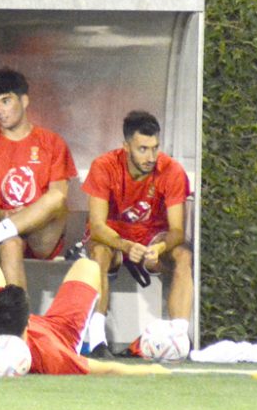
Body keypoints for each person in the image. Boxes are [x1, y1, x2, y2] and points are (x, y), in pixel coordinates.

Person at [0, 255, 165, 376]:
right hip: (61, 332)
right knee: (90, 266)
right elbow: (106, 369)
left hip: (25, 330)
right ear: (28, 321)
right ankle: (91, 336)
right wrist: (151, 370)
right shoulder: (53, 354)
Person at [76, 110, 193, 358]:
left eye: (155, 148)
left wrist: (159, 248)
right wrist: (126, 246)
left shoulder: (172, 170)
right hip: (114, 240)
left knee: (183, 255)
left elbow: (177, 231)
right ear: (126, 146)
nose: (151, 157)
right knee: (99, 253)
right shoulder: (104, 166)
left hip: (152, 240)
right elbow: (97, 226)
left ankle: (179, 339)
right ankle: (97, 342)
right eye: (143, 149)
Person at [0, 67, 77, 289]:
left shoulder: (52, 142)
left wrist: (26, 215)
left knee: (56, 198)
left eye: (5, 101)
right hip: (2, 227)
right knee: (10, 243)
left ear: (24, 101)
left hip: (41, 233)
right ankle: (19, 312)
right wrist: (2, 214)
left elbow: (58, 200)